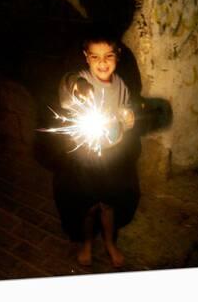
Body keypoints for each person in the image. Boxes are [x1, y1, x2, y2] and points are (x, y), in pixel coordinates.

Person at [52, 34, 140, 268]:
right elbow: (67, 84)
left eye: (108, 56)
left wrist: (128, 118)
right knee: (88, 206)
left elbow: (124, 112)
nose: (102, 63)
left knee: (108, 204)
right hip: (86, 159)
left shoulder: (120, 85)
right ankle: (88, 244)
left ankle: (110, 243)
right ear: (86, 58)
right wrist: (77, 85)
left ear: (117, 57)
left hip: (111, 156)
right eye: (95, 57)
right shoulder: (80, 79)